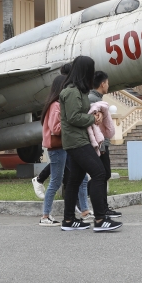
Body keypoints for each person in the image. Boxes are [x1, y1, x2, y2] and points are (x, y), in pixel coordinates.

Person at [59, 56, 122, 231]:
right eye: (91, 70)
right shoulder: (71, 92)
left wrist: (95, 115)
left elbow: (80, 113)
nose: (92, 74)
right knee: (99, 173)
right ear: (84, 71)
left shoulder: (77, 90)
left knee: (75, 179)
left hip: (77, 139)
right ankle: (101, 220)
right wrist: (92, 118)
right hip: (76, 140)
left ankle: (69, 220)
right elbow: (73, 117)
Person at [38, 75, 92, 226]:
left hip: (66, 147)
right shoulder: (55, 105)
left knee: (81, 178)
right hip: (58, 148)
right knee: (55, 181)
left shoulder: (57, 104)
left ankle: (85, 211)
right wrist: (71, 123)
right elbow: (56, 128)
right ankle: (45, 216)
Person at [89, 71, 121, 219]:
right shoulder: (93, 100)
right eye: (107, 83)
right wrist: (101, 147)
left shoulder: (98, 99)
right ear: (102, 84)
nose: (108, 85)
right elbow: (95, 127)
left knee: (104, 175)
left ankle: (103, 207)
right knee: (102, 175)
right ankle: (100, 208)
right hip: (99, 145)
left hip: (102, 144)